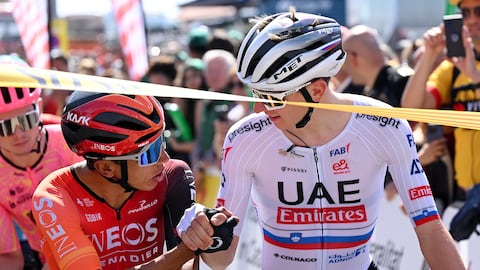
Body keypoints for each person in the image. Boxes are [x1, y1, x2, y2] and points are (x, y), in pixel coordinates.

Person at [177, 8, 466, 270]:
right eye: (255, 93)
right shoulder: (245, 138)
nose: (259, 109)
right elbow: (221, 260)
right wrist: (205, 234)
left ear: (316, 91)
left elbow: (429, 228)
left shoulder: (384, 125)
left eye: (272, 98)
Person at [31, 92, 204, 269]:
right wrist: (190, 248)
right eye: (150, 153)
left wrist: (210, 233)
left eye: (161, 142)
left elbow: (190, 266)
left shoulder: (172, 176)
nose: (165, 158)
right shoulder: (53, 198)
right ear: (106, 169)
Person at [0, 54, 83, 270]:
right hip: (45, 259)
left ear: (39, 107)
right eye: (5, 127)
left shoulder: (68, 141)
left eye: (26, 120)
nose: (19, 134)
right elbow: (11, 259)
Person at [402, 0, 480, 192]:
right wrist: (429, 53)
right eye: (465, 13)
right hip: (467, 193)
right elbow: (412, 109)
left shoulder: (463, 67)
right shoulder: (454, 67)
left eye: (479, 11)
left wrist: (475, 77)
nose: (471, 19)